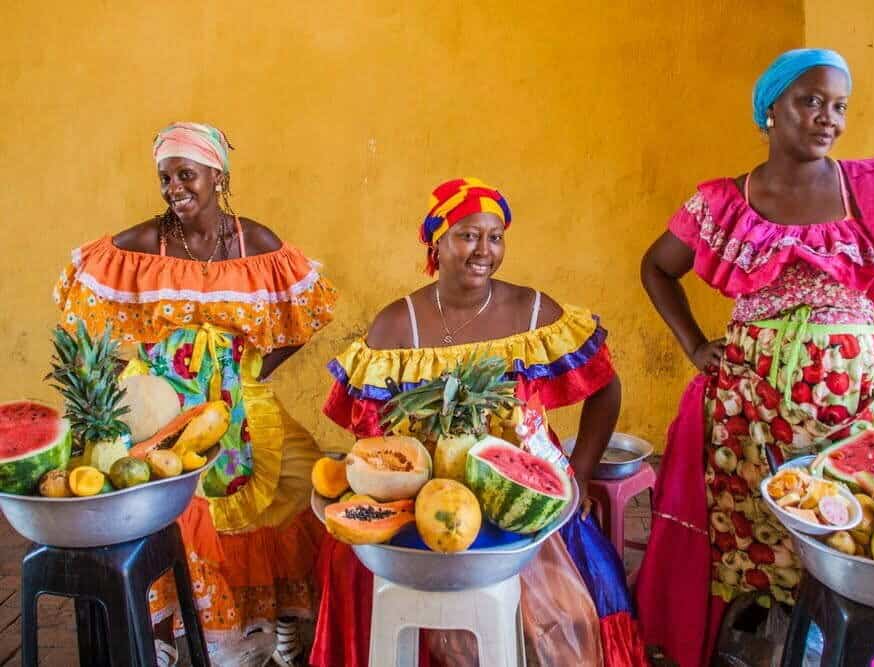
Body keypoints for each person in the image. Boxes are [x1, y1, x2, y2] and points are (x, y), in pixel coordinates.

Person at [634, 49, 874, 667]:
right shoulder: (721, 203)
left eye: (839, 106)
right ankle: (756, 648)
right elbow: (657, 267)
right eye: (810, 101)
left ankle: (827, 649)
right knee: (747, 552)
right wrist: (694, 345)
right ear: (769, 110)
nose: (827, 118)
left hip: (845, 420)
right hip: (742, 416)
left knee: (841, 537)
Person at [312, 178, 648, 666]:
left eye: (495, 237)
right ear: (436, 242)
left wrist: (578, 471)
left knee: (571, 612)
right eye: (468, 235)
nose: (483, 251)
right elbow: (372, 436)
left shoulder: (534, 312)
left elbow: (605, 387)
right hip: (427, 497)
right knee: (352, 571)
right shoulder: (395, 325)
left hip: (526, 497)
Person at [53, 122, 338, 666]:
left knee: (295, 492)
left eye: (186, 175)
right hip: (163, 412)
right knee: (178, 522)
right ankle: (171, 640)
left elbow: (306, 316)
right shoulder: (144, 244)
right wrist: (135, 374)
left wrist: (253, 370)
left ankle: (275, 626)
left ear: (217, 175)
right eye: (166, 177)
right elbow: (81, 304)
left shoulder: (256, 243)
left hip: (241, 402)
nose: (174, 188)